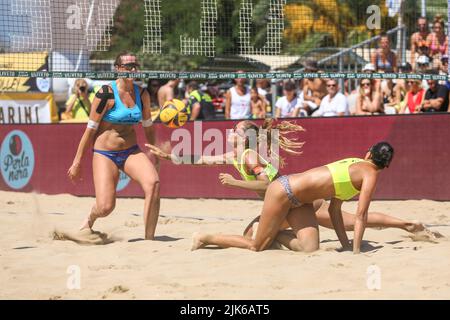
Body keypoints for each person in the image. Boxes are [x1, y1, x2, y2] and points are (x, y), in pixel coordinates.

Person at [147, 122, 430, 248]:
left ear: (245, 138)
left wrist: (234, 183)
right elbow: (202, 160)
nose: (229, 131)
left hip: (292, 199)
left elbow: (266, 185)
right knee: (342, 223)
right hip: (293, 200)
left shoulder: (249, 156)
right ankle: (406, 224)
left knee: (346, 221)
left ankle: (405, 225)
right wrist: (169, 157)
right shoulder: (236, 154)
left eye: (235, 130)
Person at [191, 142, 396, 254]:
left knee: (310, 249)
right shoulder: (370, 174)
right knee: (255, 246)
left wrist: (347, 246)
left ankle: (272, 234)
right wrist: (358, 251)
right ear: (386, 166)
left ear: (368, 154)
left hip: (301, 201)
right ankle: (205, 237)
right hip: (283, 190)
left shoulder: (354, 167)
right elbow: (361, 215)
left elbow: (335, 211)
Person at [67, 51, 160, 241]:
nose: (133, 70)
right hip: (105, 153)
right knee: (105, 207)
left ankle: (149, 240)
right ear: (118, 69)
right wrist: (76, 162)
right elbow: (90, 131)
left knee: (153, 183)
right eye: (128, 67)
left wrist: (154, 152)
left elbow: (148, 127)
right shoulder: (106, 94)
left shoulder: (142, 94)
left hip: (131, 151)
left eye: (135, 66)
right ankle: (90, 219)